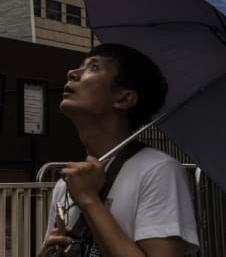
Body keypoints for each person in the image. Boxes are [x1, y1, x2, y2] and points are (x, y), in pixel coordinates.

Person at [39, 44, 198, 257]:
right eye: (80, 67)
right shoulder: (66, 184)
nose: (72, 73)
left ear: (124, 99)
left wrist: (88, 199)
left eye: (93, 67)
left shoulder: (158, 171)